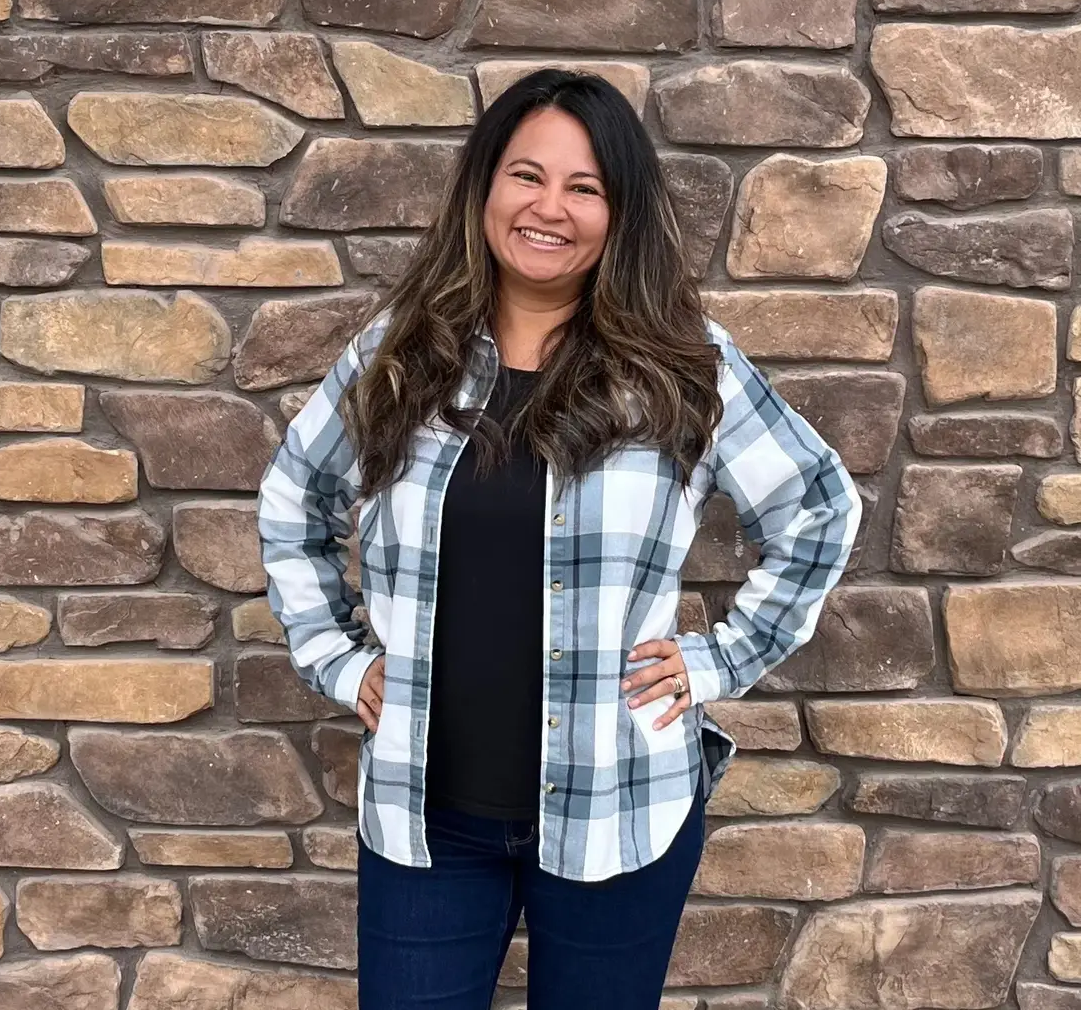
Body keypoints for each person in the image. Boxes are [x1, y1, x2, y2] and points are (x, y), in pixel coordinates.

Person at [257, 68, 862, 1010]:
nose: (551, 209)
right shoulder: (400, 352)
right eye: (526, 177)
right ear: (484, 188)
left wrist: (721, 660)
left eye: (586, 188)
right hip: (428, 821)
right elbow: (296, 497)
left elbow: (820, 505)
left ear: (620, 214)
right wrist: (336, 660)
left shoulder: (683, 365)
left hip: (618, 810)